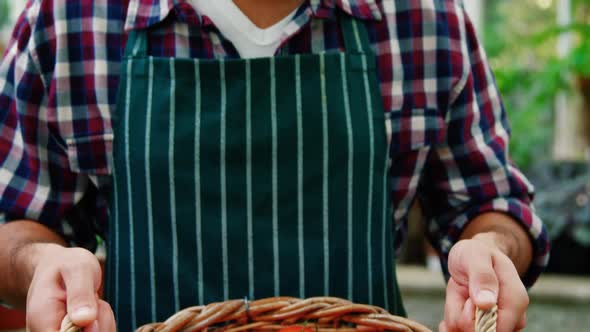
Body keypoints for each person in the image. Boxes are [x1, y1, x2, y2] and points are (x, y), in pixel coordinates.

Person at [0, 0, 550, 331]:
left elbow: (491, 207)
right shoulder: (67, 21)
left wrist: (491, 252)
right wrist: (41, 264)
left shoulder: (426, 21)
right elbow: (14, 224)